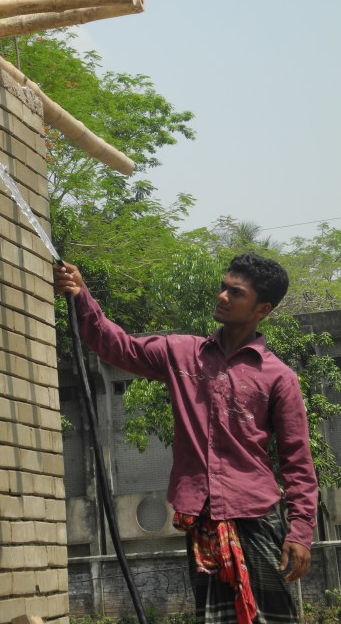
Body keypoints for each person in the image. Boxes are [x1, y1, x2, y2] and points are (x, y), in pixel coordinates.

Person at [54, 253, 318, 624]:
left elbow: (297, 462)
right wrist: (81, 294)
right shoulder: (182, 352)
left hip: (256, 517)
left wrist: (301, 530)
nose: (223, 296)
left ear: (262, 309)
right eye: (223, 287)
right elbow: (117, 346)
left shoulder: (278, 377)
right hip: (203, 522)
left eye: (235, 293)